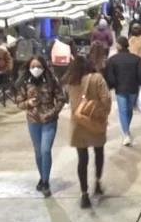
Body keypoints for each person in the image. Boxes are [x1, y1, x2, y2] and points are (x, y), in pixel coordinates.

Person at [63, 55, 112, 209]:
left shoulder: (70, 81)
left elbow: (69, 101)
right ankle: (97, 183)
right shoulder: (97, 78)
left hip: (78, 123)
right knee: (99, 152)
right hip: (95, 121)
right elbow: (107, 99)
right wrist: (103, 114)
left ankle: (84, 194)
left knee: (82, 159)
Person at [16, 56, 65, 197]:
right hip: (33, 121)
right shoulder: (24, 83)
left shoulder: (51, 81)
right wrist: (28, 103)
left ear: (43, 67)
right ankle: (42, 176)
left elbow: (61, 99)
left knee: (45, 150)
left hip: (49, 121)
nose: (35, 69)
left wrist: (53, 112)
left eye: (38, 66)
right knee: (38, 152)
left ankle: (45, 181)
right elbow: (19, 103)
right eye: (33, 66)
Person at [105, 36, 141, 146]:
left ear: (118, 46)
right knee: (129, 109)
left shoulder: (113, 60)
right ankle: (127, 130)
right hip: (133, 88)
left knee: (123, 110)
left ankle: (126, 133)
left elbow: (110, 76)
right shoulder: (136, 59)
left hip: (120, 88)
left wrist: (112, 85)